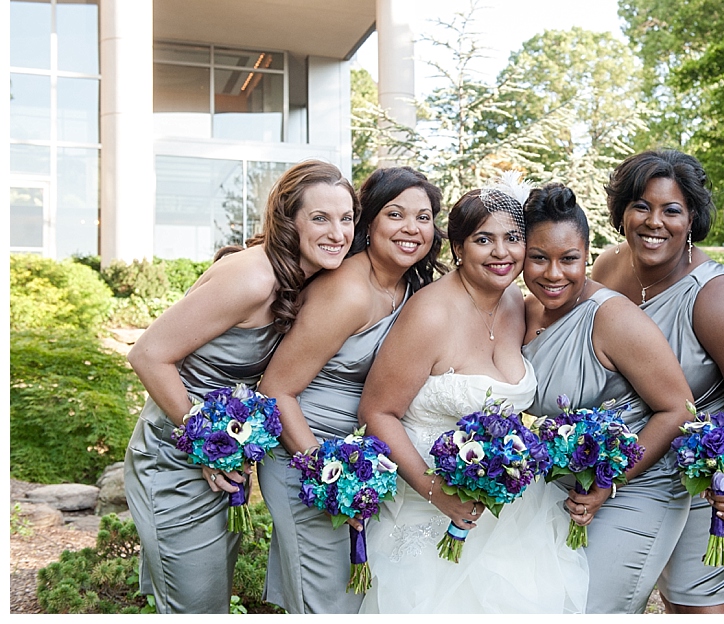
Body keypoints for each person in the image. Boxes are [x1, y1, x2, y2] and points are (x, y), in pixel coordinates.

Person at [124, 160, 358, 613]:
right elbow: (148, 354)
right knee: (196, 606)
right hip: (176, 457)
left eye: (346, 218)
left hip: (222, 463)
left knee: (207, 598)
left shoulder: (306, 277)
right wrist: (208, 449)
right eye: (320, 218)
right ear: (288, 221)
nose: (338, 232)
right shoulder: (253, 277)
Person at [357, 176, 589, 613]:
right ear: (458, 248)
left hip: (514, 513)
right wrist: (436, 493)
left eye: (513, 239)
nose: (502, 252)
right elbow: (378, 413)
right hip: (430, 505)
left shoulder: (515, 303)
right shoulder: (430, 313)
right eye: (485, 240)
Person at [590, 149, 724, 614]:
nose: (655, 221)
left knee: (694, 599)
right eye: (641, 206)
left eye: (671, 210)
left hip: (704, 465)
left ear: (691, 218)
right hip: (625, 462)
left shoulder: (717, 297)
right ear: (621, 213)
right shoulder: (606, 268)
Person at [256, 166, 446, 613]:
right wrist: (326, 471)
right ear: (370, 222)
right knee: (330, 604)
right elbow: (275, 390)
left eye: (423, 217)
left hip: (355, 465)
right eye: (396, 215)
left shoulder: (408, 287)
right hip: (305, 456)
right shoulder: (348, 291)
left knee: (353, 598)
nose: (411, 229)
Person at [520, 183, 697, 613]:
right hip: (564, 486)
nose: (553, 274)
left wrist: (607, 483)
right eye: (538, 258)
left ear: (588, 254)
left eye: (569, 259)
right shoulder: (524, 310)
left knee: (588, 608)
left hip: (637, 486)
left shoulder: (612, 317)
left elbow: (679, 409)